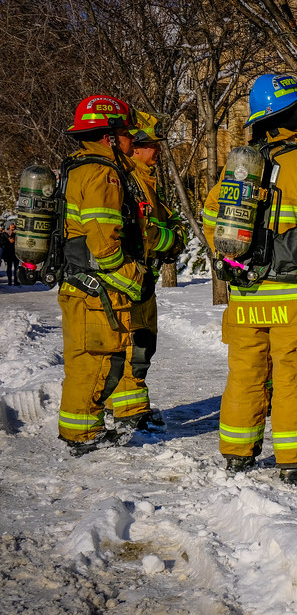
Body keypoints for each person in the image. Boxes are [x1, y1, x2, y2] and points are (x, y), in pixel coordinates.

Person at [202, 73, 297, 486]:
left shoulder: (241, 167)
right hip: (295, 295)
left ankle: (237, 454)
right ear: (295, 117)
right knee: (293, 371)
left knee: (246, 372)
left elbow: (212, 217)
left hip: (246, 293)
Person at [58, 95, 147, 456]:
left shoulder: (79, 168)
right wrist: (134, 279)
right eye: (126, 133)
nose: (131, 140)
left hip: (79, 286)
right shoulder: (103, 174)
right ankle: (83, 436)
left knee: (82, 360)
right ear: (109, 136)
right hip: (96, 289)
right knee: (97, 361)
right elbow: (104, 242)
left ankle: (82, 429)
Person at [106, 110, 186, 432]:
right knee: (135, 344)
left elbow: (163, 217)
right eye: (152, 145)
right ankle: (130, 414)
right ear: (136, 147)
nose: (158, 151)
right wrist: (173, 240)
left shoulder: (145, 179)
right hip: (132, 277)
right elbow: (148, 232)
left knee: (139, 342)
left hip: (141, 276)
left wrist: (172, 230)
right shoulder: (132, 180)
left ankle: (129, 408)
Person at [1, 220, 18, 285]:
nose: (13, 228)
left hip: (15, 253)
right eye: (12, 227)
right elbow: (1, 242)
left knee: (16, 267)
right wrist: (8, 240)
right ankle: (9, 281)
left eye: (14, 227)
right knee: (9, 267)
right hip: (8, 252)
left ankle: (16, 281)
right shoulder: (5, 234)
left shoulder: (16, 234)